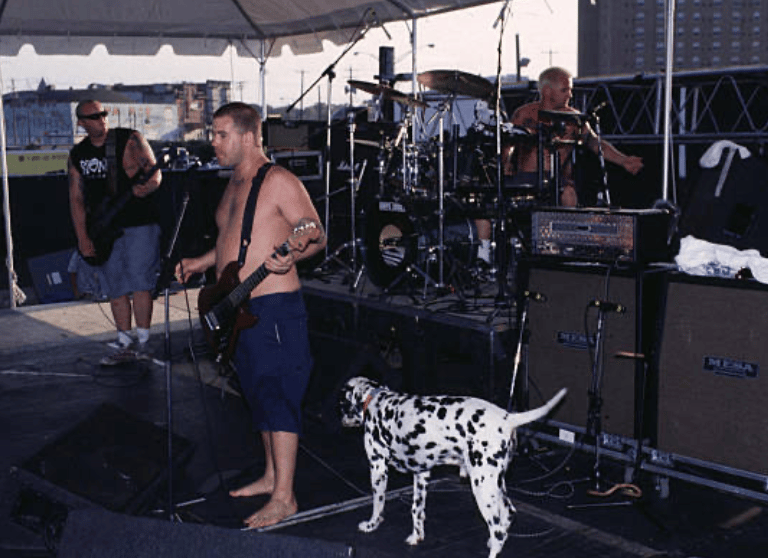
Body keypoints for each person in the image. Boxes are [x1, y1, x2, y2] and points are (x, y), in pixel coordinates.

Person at [175, 102, 326, 529]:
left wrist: (292, 251)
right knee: (258, 392)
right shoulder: (233, 182)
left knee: (278, 394)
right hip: (238, 305)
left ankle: (285, 497)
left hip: (274, 306)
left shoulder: (276, 180)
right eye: (213, 134)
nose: (213, 142)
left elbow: (312, 230)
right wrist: (203, 261)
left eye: (221, 134)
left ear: (247, 136)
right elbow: (235, 241)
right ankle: (271, 476)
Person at [474, 66, 644, 265]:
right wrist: (505, 164)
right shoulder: (524, 114)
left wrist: (624, 160)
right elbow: (507, 145)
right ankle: (484, 253)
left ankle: (566, 251)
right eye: (565, 90)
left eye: (570, 90)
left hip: (558, 182)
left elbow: (595, 144)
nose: (570, 94)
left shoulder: (575, 119)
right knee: (481, 198)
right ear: (548, 91)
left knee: (568, 193)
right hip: (523, 180)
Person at [68, 100, 163, 365]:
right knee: (115, 287)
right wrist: (83, 238)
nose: (101, 119)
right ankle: (124, 342)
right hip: (104, 228)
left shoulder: (129, 139)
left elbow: (154, 171)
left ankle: (144, 341)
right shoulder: (79, 154)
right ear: (82, 122)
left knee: (141, 282)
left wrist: (151, 185)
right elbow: (75, 199)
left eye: (103, 114)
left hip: (139, 223)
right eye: (94, 116)